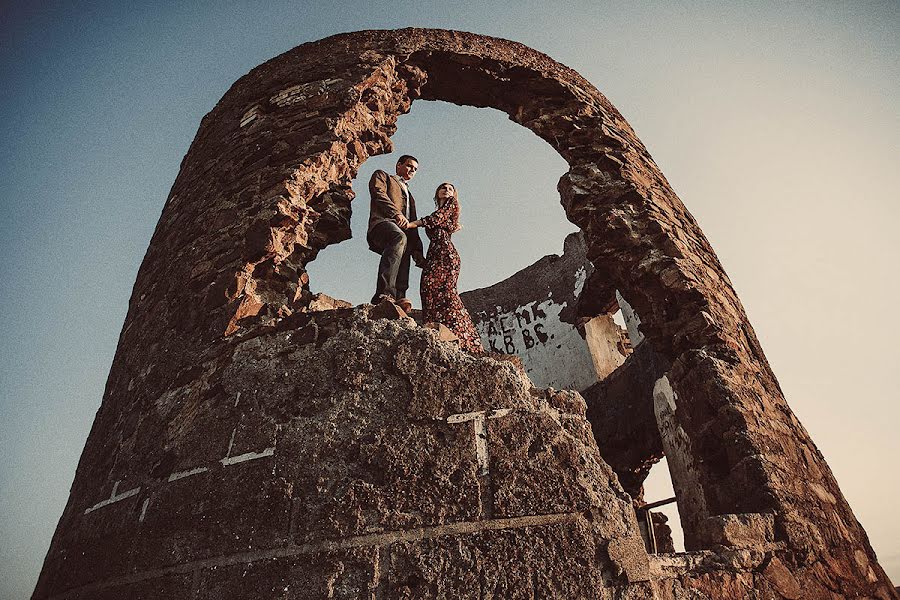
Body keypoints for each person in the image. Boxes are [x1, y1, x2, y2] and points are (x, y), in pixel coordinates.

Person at [406, 183, 484, 353]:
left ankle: (465, 340)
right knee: (428, 290)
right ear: (437, 192)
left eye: (450, 189)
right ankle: (437, 329)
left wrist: (411, 224)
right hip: (435, 254)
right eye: (443, 187)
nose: (446, 190)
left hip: (446, 255)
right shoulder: (444, 212)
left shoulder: (451, 205)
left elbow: (435, 219)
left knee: (446, 294)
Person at [367, 155, 425, 311]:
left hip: (404, 231)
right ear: (398, 165)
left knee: (405, 243)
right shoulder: (382, 176)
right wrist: (395, 214)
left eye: (415, 169)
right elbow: (378, 194)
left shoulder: (410, 196)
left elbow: (412, 222)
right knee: (398, 237)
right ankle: (384, 293)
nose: (412, 170)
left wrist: (418, 251)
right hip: (382, 223)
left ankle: (399, 295)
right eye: (409, 166)